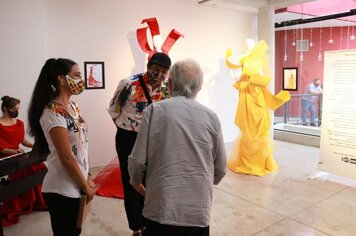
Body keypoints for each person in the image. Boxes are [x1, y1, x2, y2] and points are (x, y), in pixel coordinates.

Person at [128, 59, 227, 236]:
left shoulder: (154, 111)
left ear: (171, 83)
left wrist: (136, 183)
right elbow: (220, 168)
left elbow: (137, 162)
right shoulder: (212, 117)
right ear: (199, 87)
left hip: (160, 208)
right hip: (197, 211)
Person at [28, 58, 95, 236]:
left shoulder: (73, 106)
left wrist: (87, 175)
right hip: (61, 189)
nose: (81, 80)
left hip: (77, 183)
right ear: (62, 79)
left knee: (75, 230)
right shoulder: (52, 111)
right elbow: (65, 156)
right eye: (77, 75)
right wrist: (85, 186)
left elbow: (82, 147)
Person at [108, 52, 171, 236]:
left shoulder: (167, 88)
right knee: (131, 183)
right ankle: (135, 227)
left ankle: (147, 223)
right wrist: (128, 130)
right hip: (128, 137)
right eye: (156, 69)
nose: (159, 75)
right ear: (148, 66)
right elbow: (114, 111)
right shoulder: (128, 83)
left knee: (150, 182)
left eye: (164, 72)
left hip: (154, 140)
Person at [225, 39, 290, 176]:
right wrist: (243, 67)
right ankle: (248, 162)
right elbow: (233, 72)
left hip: (257, 92)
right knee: (248, 127)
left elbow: (261, 76)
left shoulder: (257, 60)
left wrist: (257, 81)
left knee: (260, 125)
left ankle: (260, 161)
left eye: (251, 44)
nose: (249, 45)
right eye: (247, 43)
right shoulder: (242, 58)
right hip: (247, 94)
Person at [0, 96, 47, 226]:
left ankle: (38, 201)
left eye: (17, 108)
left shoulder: (19, 123)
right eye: (14, 108)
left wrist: (34, 146)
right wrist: (14, 151)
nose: (16, 111)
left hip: (18, 154)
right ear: (5, 108)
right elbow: (1, 147)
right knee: (22, 170)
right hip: (6, 156)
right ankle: (21, 203)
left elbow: (23, 141)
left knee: (39, 167)